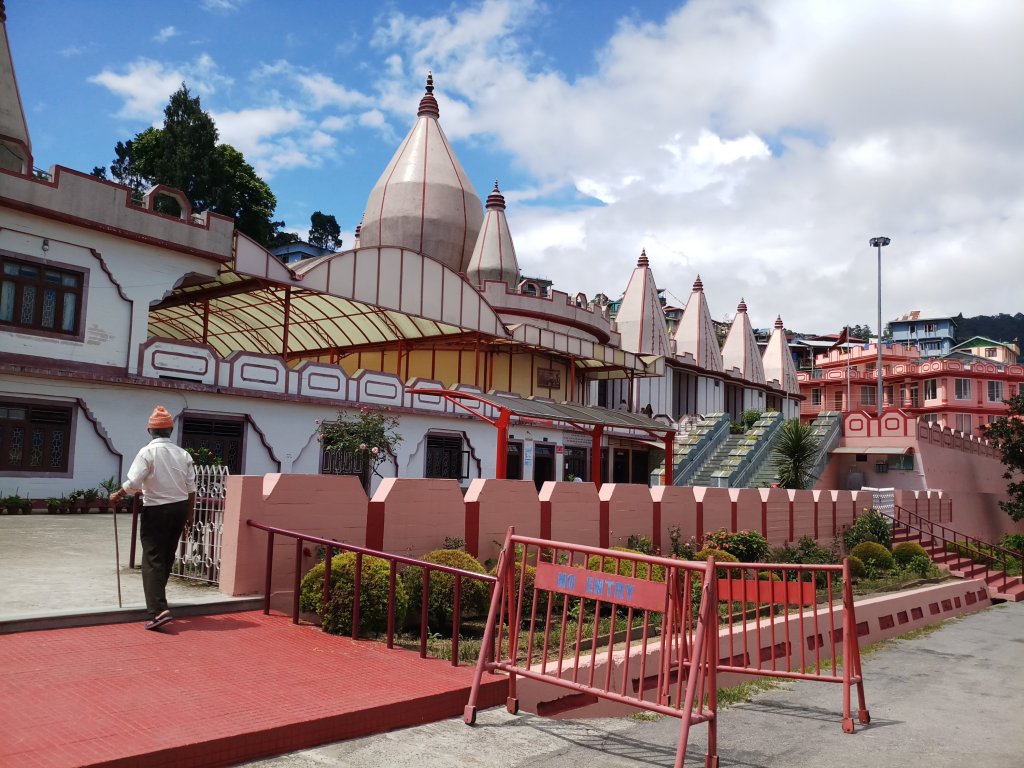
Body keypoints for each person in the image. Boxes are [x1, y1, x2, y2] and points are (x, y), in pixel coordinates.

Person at [110, 406, 196, 630]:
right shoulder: (183, 454)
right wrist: (190, 514)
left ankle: (159, 610)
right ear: (170, 429)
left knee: (152, 559)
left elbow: (134, 482)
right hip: (179, 508)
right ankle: (160, 601)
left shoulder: (147, 453)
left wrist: (118, 494)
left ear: (150, 430)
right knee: (166, 557)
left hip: (157, 510)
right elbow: (191, 488)